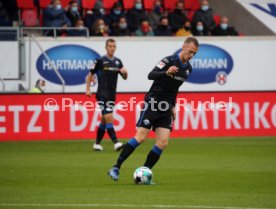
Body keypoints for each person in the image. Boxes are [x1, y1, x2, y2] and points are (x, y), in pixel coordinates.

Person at [108, 37, 199, 181]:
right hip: (153, 102)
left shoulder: (188, 69)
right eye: (190, 51)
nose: (191, 55)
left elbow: (175, 88)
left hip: (166, 108)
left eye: (194, 53)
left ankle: (144, 173)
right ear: (183, 47)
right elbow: (150, 75)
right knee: (141, 137)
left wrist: (174, 106)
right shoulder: (168, 61)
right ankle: (116, 166)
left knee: (163, 142)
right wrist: (166, 72)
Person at [85, 39, 128, 151]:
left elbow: (124, 77)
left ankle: (97, 144)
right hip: (102, 94)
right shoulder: (99, 60)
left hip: (112, 95)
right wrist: (88, 89)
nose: (112, 48)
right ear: (106, 47)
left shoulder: (118, 62)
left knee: (104, 119)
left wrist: (125, 73)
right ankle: (116, 142)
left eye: (114, 46)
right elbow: (90, 75)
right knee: (109, 117)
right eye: (110, 46)